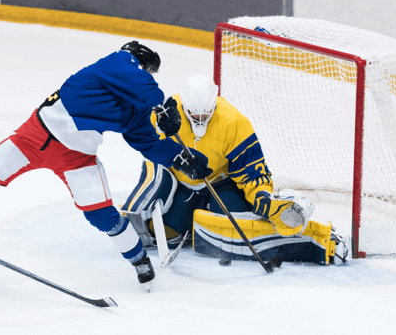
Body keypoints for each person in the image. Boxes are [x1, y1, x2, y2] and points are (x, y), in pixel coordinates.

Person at [0, 41, 211, 286]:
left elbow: (148, 143)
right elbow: (137, 80)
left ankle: (138, 260)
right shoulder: (117, 62)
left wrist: (181, 158)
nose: (150, 79)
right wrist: (160, 103)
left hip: (77, 157)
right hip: (35, 135)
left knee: (102, 216)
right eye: (149, 73)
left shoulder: (136, 109)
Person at [120, 75, 350, 265]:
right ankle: (189, 221)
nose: (200, 119)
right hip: (182, 184)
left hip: (220, 182)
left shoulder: (234, 122)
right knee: (167, 236)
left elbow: (251, 169)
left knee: (239, 227)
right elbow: (145, 146)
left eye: (206, 114)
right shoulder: (164, 115)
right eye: (194, 114)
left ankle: (316, 238)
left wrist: (260, 194)